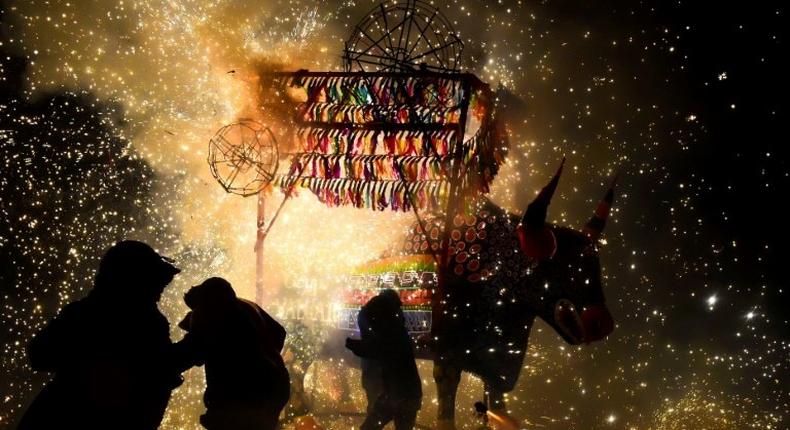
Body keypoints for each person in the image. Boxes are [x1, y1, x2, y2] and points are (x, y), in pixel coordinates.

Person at [18, 240, 187, 430]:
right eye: (154, 283)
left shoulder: (85, 312)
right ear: (133, 281)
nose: (159, 292)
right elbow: (38, 354)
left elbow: (158, 367)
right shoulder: (139, 321)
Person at [177, 277, 290, 430]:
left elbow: (191, 351)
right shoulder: (245, 306)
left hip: (242, 398)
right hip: (273, 387)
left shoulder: (213, 313)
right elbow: (279, 332)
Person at [346, 289, 422, 430]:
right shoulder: (397, 329)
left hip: (395, 395)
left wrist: (352, 344)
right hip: (408, 394)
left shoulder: (390, 332)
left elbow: (376, 348)